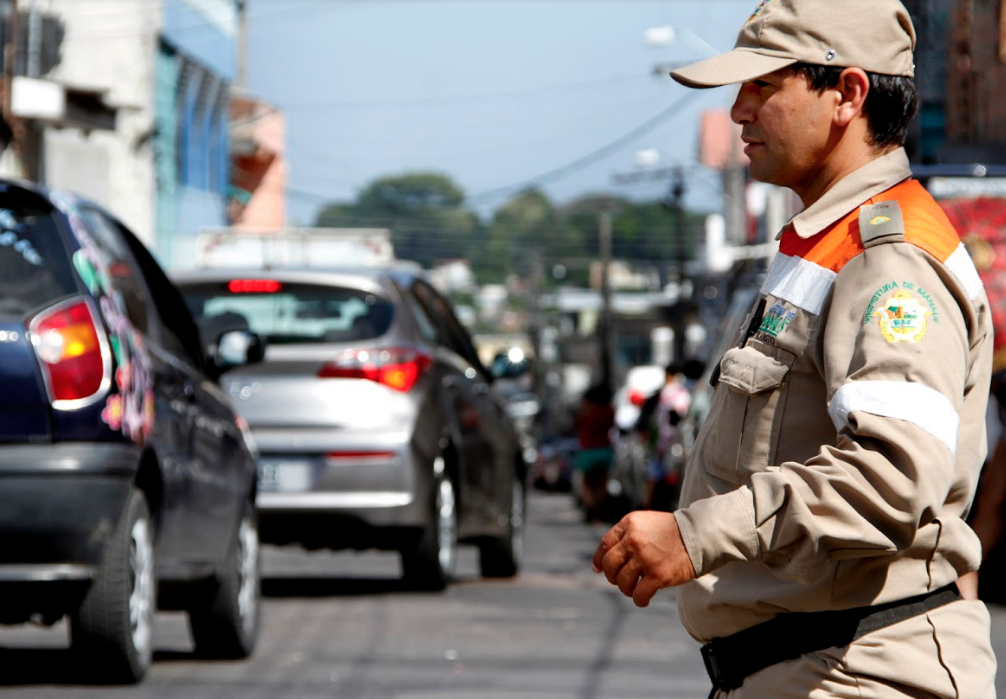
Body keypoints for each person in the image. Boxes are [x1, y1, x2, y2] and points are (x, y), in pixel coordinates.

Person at [591, 1, 997, 696]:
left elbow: (893, 476)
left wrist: (696, 535)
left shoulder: (889, 259)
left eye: (763, 85)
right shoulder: (820, 243)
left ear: (848, 94)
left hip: (855, 672)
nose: (739, 112)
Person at [634, 362, 691, 510]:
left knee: (654, 479)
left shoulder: (663, 393)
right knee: (675, 480)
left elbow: (647, 421)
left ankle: (649, 510)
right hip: (677, 443)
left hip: (661, 443)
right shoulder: (683, 392)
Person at [574, 383, 616, 522]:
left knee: (587, 483)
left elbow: (578, 425)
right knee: (601, 484)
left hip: (588, 450)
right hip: (605, 449)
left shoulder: (587, 410)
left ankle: (590, 506)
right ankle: (599, 513)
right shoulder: (609, 410)